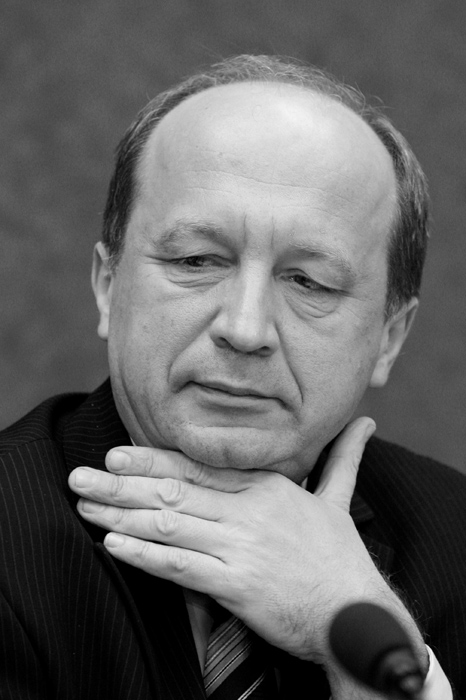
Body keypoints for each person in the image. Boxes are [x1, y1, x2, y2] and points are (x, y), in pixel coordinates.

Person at [1, 55, 465, 700]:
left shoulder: (454, 539)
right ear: (108, 286)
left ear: (389, 338)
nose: (245, 329)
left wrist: (362, 641)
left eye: (309, 282)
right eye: (196, 260)